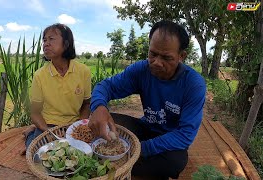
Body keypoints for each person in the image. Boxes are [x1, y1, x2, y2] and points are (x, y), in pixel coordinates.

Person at [88, 20, 206, 179]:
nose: (157, 62)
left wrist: (140, 149)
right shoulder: (141, 70)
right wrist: (99, 107)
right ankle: (121, 162)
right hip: (145, 128)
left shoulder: (193, 84)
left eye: (166, 57)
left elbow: (185, 135)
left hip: (170, 140)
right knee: (107, 122)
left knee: (175, 163)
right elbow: (106, 86)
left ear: (181, 56)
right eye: (153, 54)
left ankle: (115, 162)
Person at [25, 23, 91, 148]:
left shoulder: (83, 71)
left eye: (51, 39)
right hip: (49, 124)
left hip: (74, 123)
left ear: (66, 44)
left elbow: (86, 104)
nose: (46, 43)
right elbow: (35, 113)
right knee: (38, 152)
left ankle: (33, 131)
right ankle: (30, 135)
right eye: (44, 40)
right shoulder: (39, 75)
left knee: (88, 151)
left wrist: (79, 126)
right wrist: (48, 131)